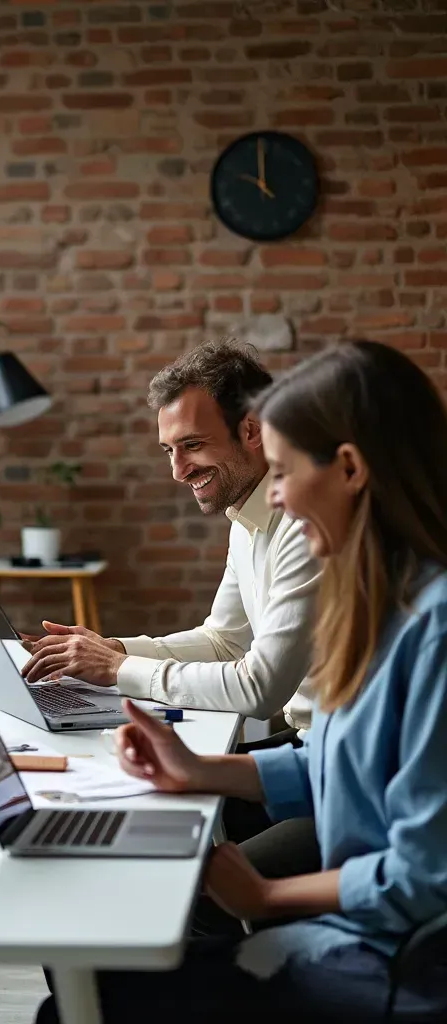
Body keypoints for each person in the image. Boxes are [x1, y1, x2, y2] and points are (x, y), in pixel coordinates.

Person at [37, 340, 447, 1024]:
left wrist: (265, 899)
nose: (277, 496)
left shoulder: (429, 630)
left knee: (89, 999)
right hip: (358, 933)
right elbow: (342, 762)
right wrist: (203, 770)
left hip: (392, 963)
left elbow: (425, 874)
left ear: (348, 469)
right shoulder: (385, 603)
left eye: (283, 472)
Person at [21, 341, 322, 871]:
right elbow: (224, 640)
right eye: (169, 450)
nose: (179, 470)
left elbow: (259, 687)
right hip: (306, 750)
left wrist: (118, 670)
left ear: (251, 430)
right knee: (132, 810)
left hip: (336, 768)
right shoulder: (248, 517)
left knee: (181, 887)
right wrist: (111, 649)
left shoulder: (303, 520)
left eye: (193, 445)